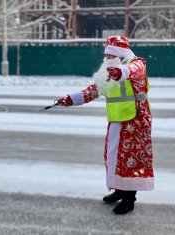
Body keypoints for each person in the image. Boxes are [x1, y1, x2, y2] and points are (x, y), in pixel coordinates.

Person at [57, 35, 154, 215]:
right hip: (117, 120)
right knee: (114, 157)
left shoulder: (136, 62)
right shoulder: (109, 71)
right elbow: (94, 90)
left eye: (110, 55)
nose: (107, 58)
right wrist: (70, 99)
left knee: (130, 160)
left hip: (136, 121)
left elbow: (133, 70)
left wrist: (120, 71)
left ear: (120, 54)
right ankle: (119, 189)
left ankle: (129, 199)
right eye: (106, 55)